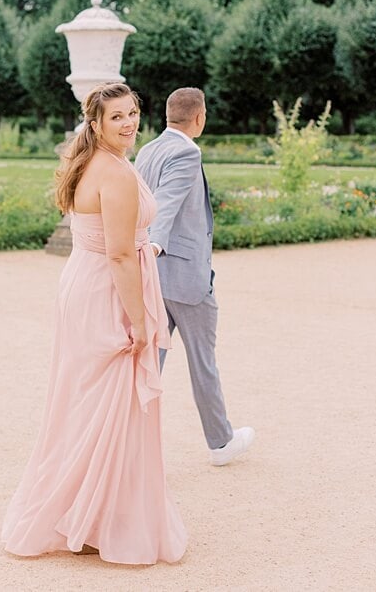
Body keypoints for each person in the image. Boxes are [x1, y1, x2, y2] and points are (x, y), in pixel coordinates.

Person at [2, 82, 186, 564]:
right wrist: (141, 322)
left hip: (82, 284)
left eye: (131, 114)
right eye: (116, 117)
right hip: (106, 290)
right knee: (109, 405)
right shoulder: (117, 174)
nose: (127, 123)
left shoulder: (90, 162)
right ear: (96, 124)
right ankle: (96, 519)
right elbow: (123, 254)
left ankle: (88, 516)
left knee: (85, 403)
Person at [135, 87, 255, 466]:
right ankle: (220, 442)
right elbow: (166, 204)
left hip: (155, 279)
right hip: (186, 278)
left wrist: (146, 258)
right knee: (203, 362)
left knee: (148, 365)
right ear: (199, 117)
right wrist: (153, 246)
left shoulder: (148, 150)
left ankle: (130, 443)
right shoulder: (187, 151)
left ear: (168, 114)